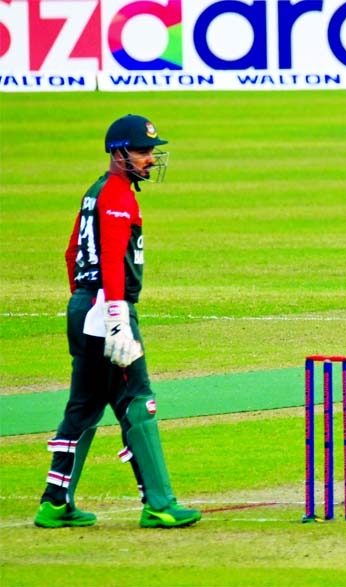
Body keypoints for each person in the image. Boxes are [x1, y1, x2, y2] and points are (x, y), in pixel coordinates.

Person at [34, 114, 202, 529]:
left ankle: (55, 501)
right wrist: (114, 316)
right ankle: (160, 503)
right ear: (119, 152)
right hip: (109, 308)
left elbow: (72, 252)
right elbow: (109, 259)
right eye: (143, 151)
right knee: (137, 400)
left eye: (151, 151)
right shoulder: (116, 196)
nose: (149, 158)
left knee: (85, 407)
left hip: (85, 306)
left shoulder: (95, 192)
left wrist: (81, 300)